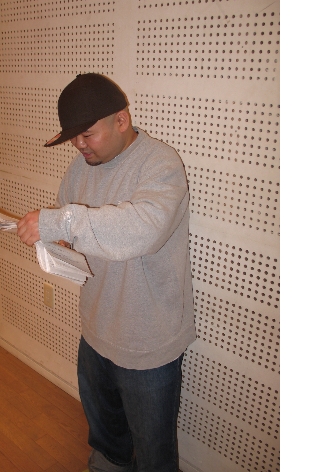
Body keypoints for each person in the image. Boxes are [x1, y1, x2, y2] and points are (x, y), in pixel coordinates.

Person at [17, 73, 196, 472]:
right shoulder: (81, 168)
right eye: (73, 137)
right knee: (106, 441)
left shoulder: (161, 163)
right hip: (96, 331)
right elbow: (73, 225)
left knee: (154, 455)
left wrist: (60, 224)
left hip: (148, 341)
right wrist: (57, 242)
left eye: (87, 134)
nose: (79, 145)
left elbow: (143, 230)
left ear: (121, 120)